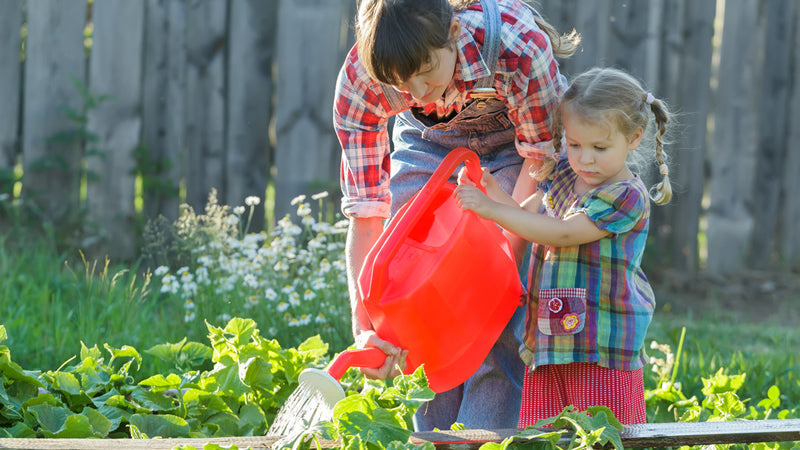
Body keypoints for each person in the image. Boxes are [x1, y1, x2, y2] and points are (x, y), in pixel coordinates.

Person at [333, 0, 579, 431]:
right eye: (400, 83)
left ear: (452, 34)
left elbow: (540, 160)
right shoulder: (362, 83)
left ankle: (480, 437)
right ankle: (432, 436)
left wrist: (500, 274)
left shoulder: (517, 48)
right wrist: (365, 322)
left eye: (427, 72)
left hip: (515, 150)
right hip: (428, 142)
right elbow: (369, 213)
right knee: (412, 292)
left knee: (496, 318)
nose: (418, 92)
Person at [454, 67, 673, 426]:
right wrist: (491, 192)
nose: (585, 158)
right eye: (573, 145)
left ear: (633, 138)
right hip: (549, 342)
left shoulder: (626, 196)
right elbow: (527, 216)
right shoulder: (566, 177)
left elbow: (563, 233)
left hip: (600, 350)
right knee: (544, 437)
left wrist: (491, 209)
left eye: (599, 148)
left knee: (601, 437)